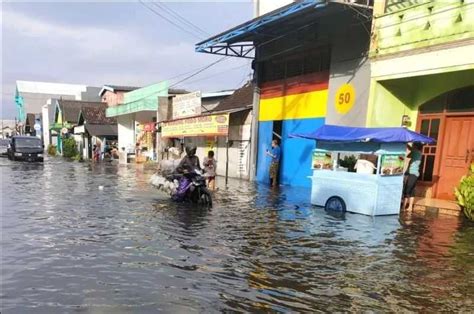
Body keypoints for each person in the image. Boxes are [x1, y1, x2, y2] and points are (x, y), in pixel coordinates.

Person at [402, 142, 423, 211]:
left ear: (416, 147)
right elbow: (410, 152)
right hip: (414, 174)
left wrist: (407, 144)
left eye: (413, 146)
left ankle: (403, 207)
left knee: (407, 189)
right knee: (411, 190)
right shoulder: (418, 153)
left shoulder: (416, 152)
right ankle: (410, 207)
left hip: (412, 173)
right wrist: (408, 145)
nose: (412, 147)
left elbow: (408, 155)